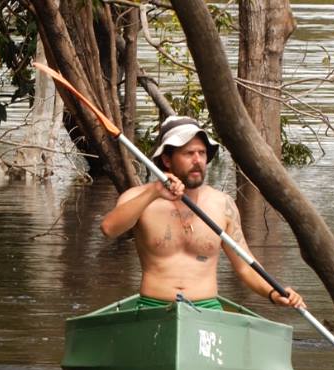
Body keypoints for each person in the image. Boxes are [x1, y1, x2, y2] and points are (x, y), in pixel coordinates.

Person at [100, 115, 306, 311]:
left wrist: (273, 292)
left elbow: (244, 266)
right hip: (153, 306)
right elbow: (109, 229)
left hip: (206, 307)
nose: (198, 160)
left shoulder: (222, 204)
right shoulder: (138, 198)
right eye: (189, 153)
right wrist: (154, 192)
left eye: (202, 153)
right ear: (167, 159)